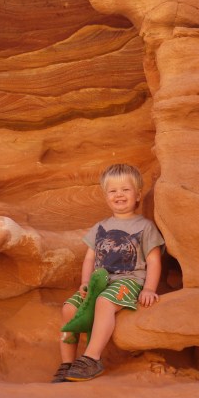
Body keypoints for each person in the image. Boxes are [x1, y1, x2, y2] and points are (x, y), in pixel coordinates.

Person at [51, 163, 164, 383]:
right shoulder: (99, 227)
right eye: (113, 191)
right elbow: (90, 258)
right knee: (68, 309)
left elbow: (153, 260)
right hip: (99, 281)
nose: (119, 195)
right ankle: (67, 364)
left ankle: (92, 359)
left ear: (138, 194)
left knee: (104, 302)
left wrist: (149, 288)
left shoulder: (145, 226)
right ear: (106, 196)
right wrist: (84, 282)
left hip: (129, 281)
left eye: (125, 190)